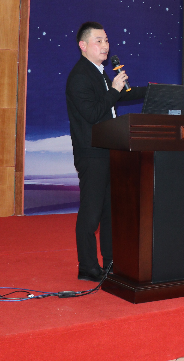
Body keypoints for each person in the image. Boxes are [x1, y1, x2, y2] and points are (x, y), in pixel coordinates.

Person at [66, 22, 146, 281]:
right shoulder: (80, 76)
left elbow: (117, 97)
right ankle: (88, 266)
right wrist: (113, 90)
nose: (105, 46)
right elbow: (93, 112)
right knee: (91, 213)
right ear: (83, 45)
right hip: (91, 153)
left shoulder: (98, 72)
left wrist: (153, 91)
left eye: (107, 41)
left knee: (110, 211)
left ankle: (112, 261)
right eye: (99, 41)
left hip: (108, 150)